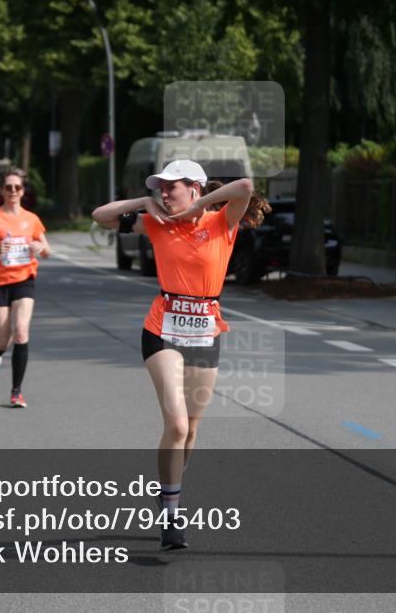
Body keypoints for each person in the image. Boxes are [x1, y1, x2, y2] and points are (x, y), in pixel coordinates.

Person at [91, 159, 266, 550]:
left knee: (192, 429)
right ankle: (171, 514)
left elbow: (244, 186)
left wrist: (195, 211)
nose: (165, 193)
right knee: (178, 424)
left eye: (173, 187)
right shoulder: (155, 222)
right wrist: (143, 202)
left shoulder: (222, 222)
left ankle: (170, 486)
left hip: (205, 332)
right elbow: (100, 216)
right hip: (161, 330)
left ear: (195, 189)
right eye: (162, 187)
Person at [0, 167, 50, 408]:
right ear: (2, 190)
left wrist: (38, 248)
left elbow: (47, 251)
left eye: (17, 187)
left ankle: (16, 392)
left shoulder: (31, 219)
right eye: (8, 187)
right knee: (3, 339)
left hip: (24, 279)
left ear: (23, 191)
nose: (13, 191)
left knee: (21, 332)